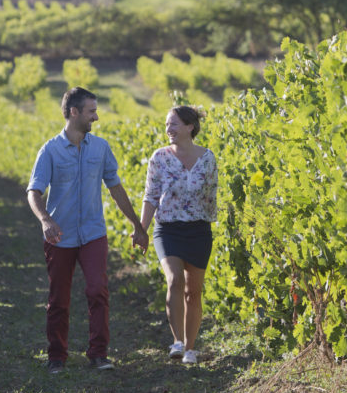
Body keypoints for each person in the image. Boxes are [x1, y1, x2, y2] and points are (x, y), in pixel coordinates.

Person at [27, 87, 148, 374]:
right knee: (59, 298)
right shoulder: (50, 150)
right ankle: (57, 356)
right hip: (60, 235)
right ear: (74, 112)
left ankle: (98, 353)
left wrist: (137, 224)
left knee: (98, 290)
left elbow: (115, 187)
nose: (96, 116)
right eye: (91, 111)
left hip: (93, 233)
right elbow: (34, 191)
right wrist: (45, 220)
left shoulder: (101, 148)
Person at [139, 105, 218, 364]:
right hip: (168, 228)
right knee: (174, 280)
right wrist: (141, 230)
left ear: (189, 127)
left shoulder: (208, 158)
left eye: (173, 124)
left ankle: (191, 349)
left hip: (198, 230)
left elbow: (211, 198)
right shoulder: (159, 157)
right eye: (166, 125)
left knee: (193, 292)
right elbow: (150, 197)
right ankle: (178, 342)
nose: (168, 130)